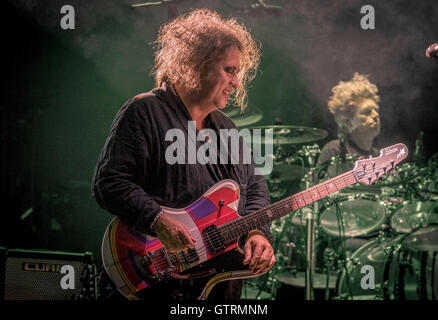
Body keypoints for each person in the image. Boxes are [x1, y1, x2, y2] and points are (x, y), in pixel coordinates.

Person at [92, 8, 275, 300]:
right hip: (156, 278)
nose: (237, 83)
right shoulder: (144, 111)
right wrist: (156, 219)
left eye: (237, 72)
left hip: (217, 287)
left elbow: (254, 188)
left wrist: (257, 233)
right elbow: (110, 182)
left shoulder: (227, 128)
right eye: (229, 70)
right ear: (196, 65)